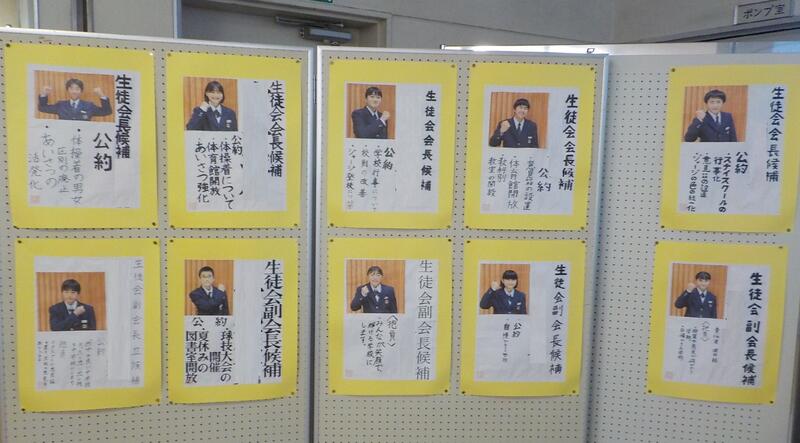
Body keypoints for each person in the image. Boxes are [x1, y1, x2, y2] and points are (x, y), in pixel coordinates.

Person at [38, 78, 111, 121]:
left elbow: (107, 111)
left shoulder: (89, 105)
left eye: (77, 89)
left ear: (81, 91)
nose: (74, 91)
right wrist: (44, 94)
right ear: (67, 90)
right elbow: (42, 108)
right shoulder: (61, 105)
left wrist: (101, 95)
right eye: (71, 89)